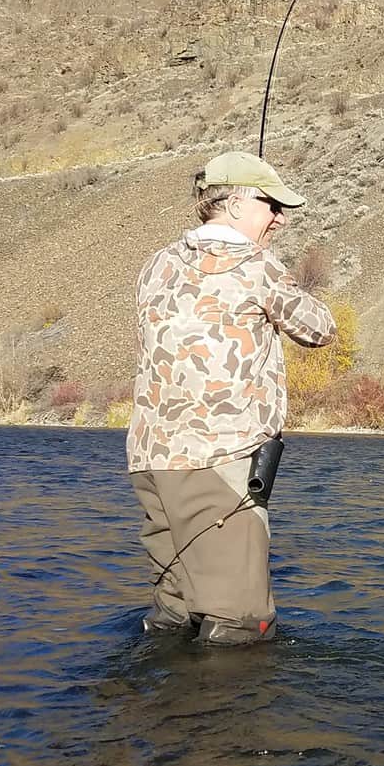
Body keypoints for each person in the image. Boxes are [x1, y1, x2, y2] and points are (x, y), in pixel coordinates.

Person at [127, 150, 337, 645]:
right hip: (220, 462)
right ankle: (226, 720)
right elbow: (320, 330)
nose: (280, 219)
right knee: (241, 624)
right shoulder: (257, 265)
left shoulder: (155, 264)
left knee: (173, 617)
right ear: (238, 203)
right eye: (272, 205)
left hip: (151, 459)